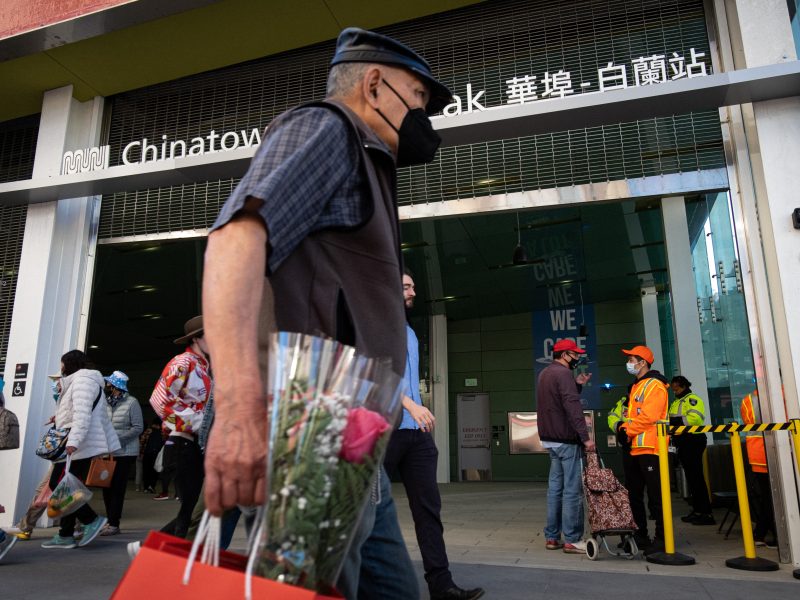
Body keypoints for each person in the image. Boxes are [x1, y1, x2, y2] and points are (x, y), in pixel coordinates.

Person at [202, 27, 451, 600]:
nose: (423, 118)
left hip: (357, 430)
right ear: (374, 84)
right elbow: (235, 242)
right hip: (319, 423)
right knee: (301, 590)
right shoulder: (327, 128)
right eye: (417, 99)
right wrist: (238, 411)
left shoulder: (366, 161)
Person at [381, 270, 484, 600]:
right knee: (367, 511)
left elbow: (409, 378)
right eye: (407, 286)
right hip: (385, 433)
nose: (413, 291)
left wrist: (419, 409)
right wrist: (412, 405)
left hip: (417, 435)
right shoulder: (377, 324)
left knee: (428, 511)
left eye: (412, 286)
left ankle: (442, 585)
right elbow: (374, 375)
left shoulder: (410, 332)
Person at [41, 349, 120, 550]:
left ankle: (91, 520)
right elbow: (77, 412)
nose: (61, 368)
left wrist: (73, 441)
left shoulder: (83, 382)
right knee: (66, 487)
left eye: (62, 364)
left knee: (60, 486)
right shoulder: (80, 381)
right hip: (79, 444)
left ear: (69, 363)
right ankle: (65, 534)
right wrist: (58, 418)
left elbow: (83, 416)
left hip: (79, 446)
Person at [149, 315, 212, 539]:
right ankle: (160, 549)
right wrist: (197, 424)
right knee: (191, 507)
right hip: (182, 443)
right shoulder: (183, 362)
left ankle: (158, 548)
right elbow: (159, 399)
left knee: (195, 506)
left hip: (192, 443)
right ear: (196, 339)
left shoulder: (202, 367)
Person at [537, 339, 594, 554]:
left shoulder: (545, 374)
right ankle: (572, 539)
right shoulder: (563, 374)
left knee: (555, 490)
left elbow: (555, 402)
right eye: (574, 354)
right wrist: (586, 438)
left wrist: (576, 384)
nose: (577, 358)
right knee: (572, 491)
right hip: (567, 440)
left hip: (550, 439)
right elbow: (572, 408)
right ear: (565, 355)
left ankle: (552, 537)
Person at [617, 345, 669, 554]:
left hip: (651, 448)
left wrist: (627, 430)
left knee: (657, 497)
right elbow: (634, 415)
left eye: (631, 359)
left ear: (643, 362)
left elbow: (650, 417)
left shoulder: (655, 385)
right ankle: (640, 536)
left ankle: (663, 539)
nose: (629, 363)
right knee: (634, 495)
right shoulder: (637, 386)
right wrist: (623, 429)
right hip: (635, 448)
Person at [101, 371, 144, 535]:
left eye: (109, 383)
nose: (107, 386)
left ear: (115, 386)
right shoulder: (105, 402)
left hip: (125, 452)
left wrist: (117, 440)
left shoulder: (132, 402)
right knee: (106, 487)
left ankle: (114, 524)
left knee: (117, 488)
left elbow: (138, 427)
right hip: (107, 451)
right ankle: (109, 521)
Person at [669, 375, 714, 525]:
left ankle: (706, 513)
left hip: (693, 440)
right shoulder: (677, 402)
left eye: (676, 388)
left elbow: (694, 418)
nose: (674, 390)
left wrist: (675, 422)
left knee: (696, 477)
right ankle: (698, 510)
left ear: (682, 386)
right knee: (692, 478)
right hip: (683, 442)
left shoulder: (692, 399)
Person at [740, 390, 776, 548]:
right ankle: (770, 533)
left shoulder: (749, 398)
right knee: (773, 497)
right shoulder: (787, 393)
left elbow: (749, 420)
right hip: (773, 452)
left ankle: (761, 533)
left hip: (759, 453)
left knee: (769, 496)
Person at [139, 418, 164, 493]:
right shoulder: (162, 432)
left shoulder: (148, 431)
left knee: (146, 470)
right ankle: (152, 486)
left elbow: (142, 441)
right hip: (157, 455)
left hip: (147, 453)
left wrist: (141, 452)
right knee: (154, 471)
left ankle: (146, 487)